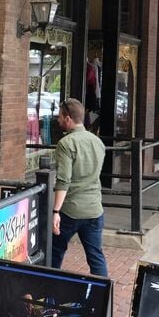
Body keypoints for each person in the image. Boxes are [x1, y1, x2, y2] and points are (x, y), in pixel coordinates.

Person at [51, 98, 108, 277]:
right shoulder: (98, 142)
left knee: (54, 253)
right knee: (96, 257)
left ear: (68, 118)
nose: (58, 120)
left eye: (60, 116)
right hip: (94, 209)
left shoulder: (66, 143)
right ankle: (105, 300)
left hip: (70, 210)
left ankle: (46, 295)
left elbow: (63, 180)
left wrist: (56, 211)